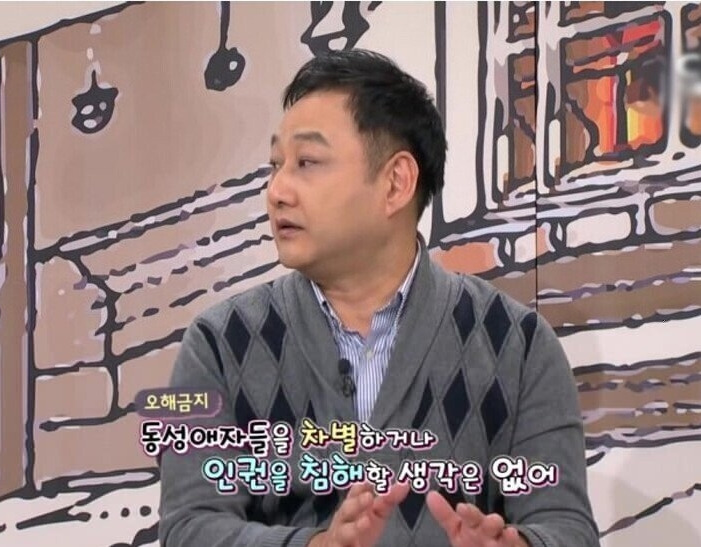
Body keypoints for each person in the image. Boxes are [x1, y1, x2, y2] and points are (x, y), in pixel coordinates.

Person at [158, 49, 600, 547]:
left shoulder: (519, 345)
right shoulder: (215, 344)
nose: (277, 191)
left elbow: (568, 528)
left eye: (307, 162)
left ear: (395, 183)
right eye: (275, 165)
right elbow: (187, 528)